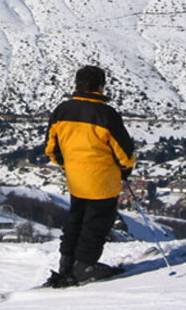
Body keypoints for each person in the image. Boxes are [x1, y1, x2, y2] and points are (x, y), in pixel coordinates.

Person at [45, 65, 136, 284]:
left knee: (75, 220)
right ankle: (85, 266)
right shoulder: (106, 114)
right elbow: (124, 153)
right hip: (103, 180)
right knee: (96, 225)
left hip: (76, 180)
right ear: (100, 86)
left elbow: (51, 148)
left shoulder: (62, 111)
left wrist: (70, 166)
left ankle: (67, 263)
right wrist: (125, 170)